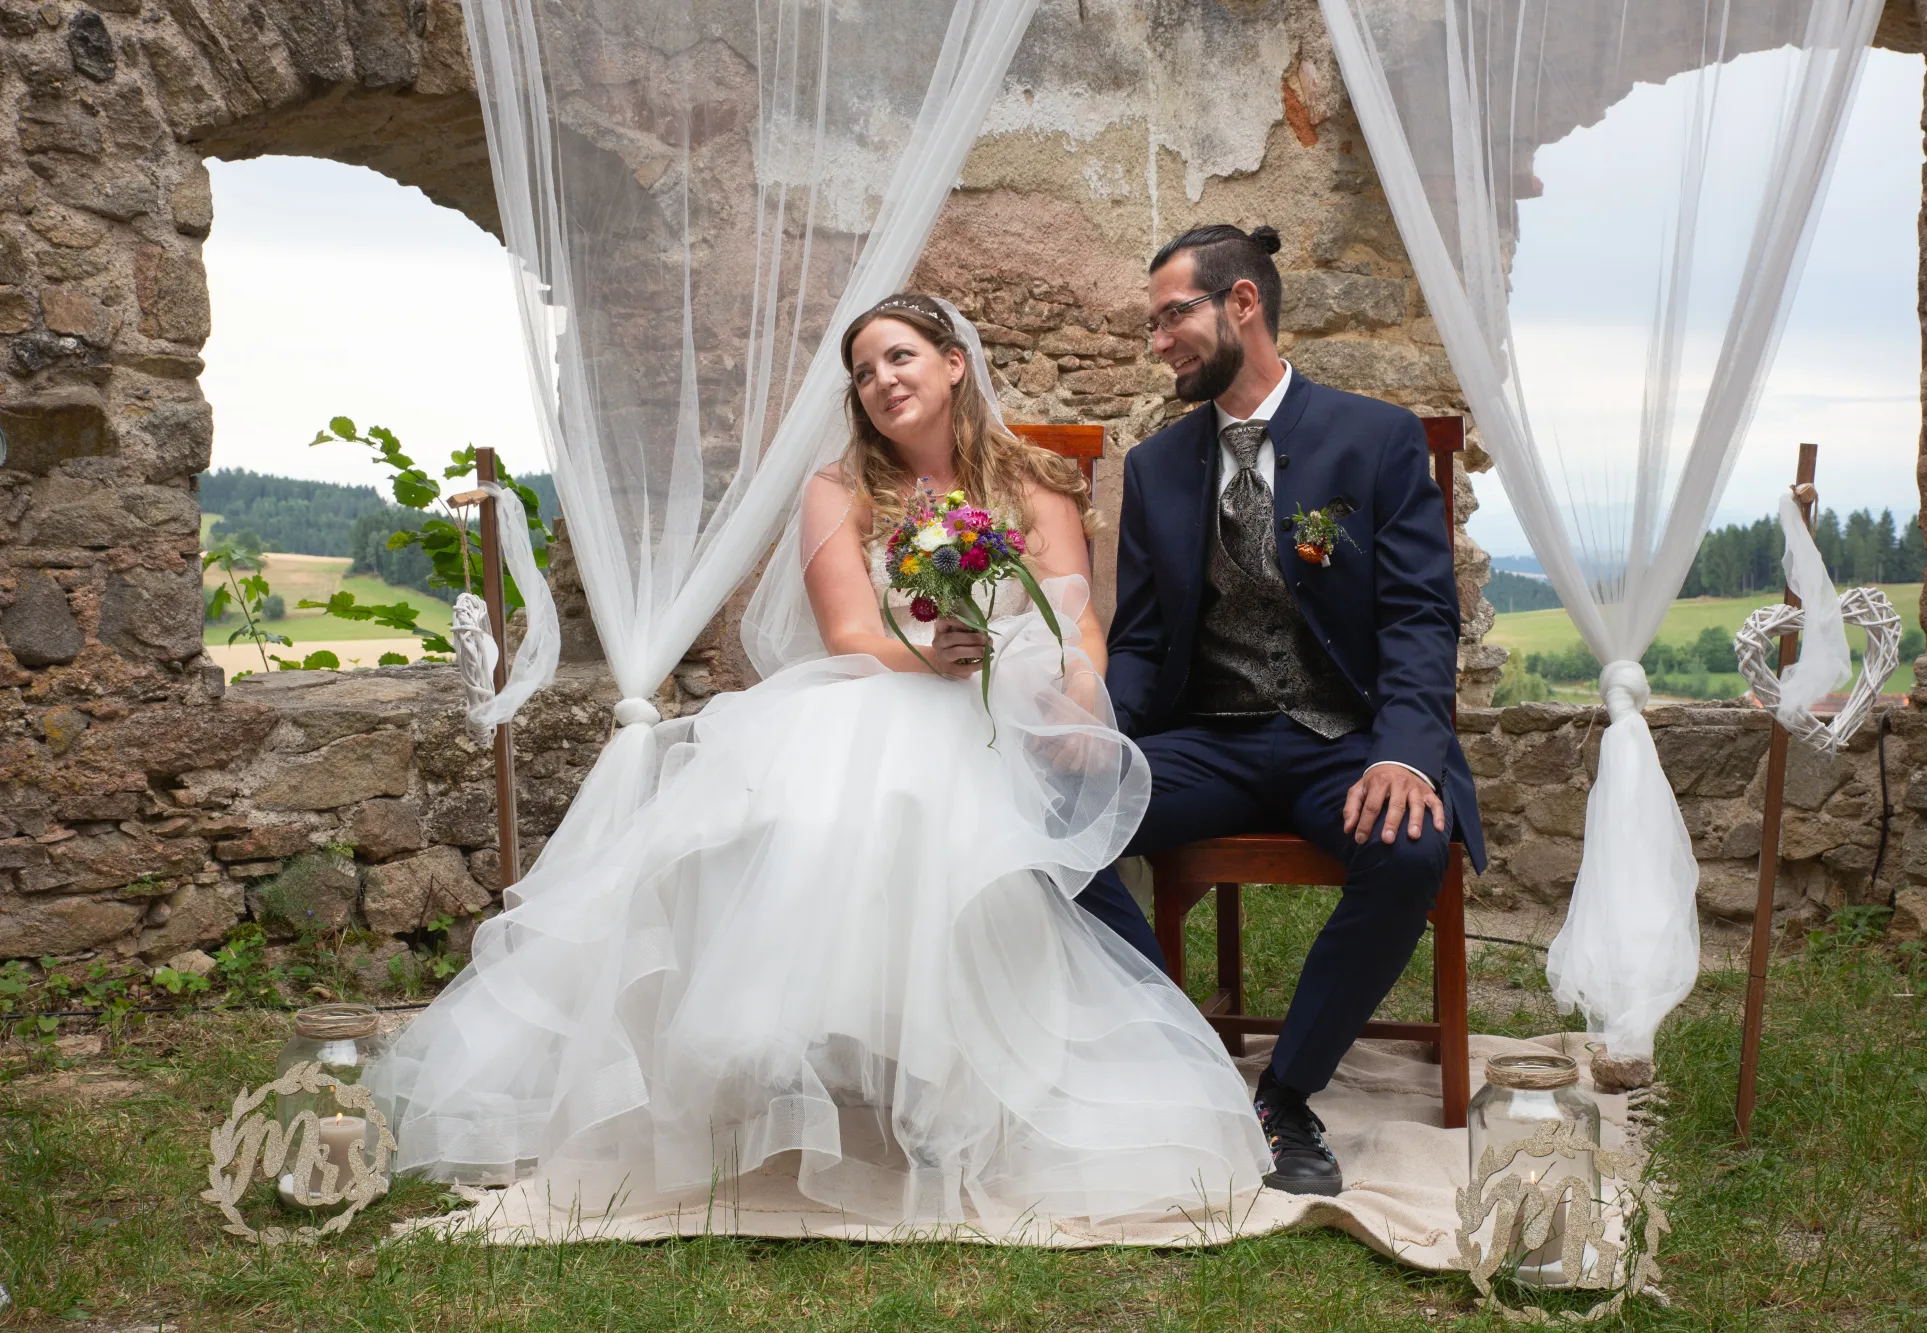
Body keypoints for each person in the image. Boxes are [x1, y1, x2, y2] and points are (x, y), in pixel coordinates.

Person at [372, 293, 1268, 1231]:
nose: (882, 382)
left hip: (1020, 703)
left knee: (987, 820)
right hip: (884, 689)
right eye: (865, 372)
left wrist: (1082, 695)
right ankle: (818, 1073)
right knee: (848, 804)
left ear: (954, 363)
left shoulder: (1034, 480)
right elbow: (847, 630)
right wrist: (932, 654)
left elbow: (1077, 613)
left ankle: (1013, 1078)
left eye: (900, 358)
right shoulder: (838, 490)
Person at [1076, 224, 1487, 1198]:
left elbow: (1421, 619)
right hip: (1204, 739)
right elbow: (1137, 640)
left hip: (1339, 741)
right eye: (1151, 325)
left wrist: (1405, 756)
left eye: (1171, 315)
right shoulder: (1156, 466)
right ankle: (1183, 1064)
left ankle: (1286, 1093)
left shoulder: (1375, 437)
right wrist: (1095, 737)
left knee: (1411, 844)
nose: (1158, 342)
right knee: (1051, 819)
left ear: (1241, 305)